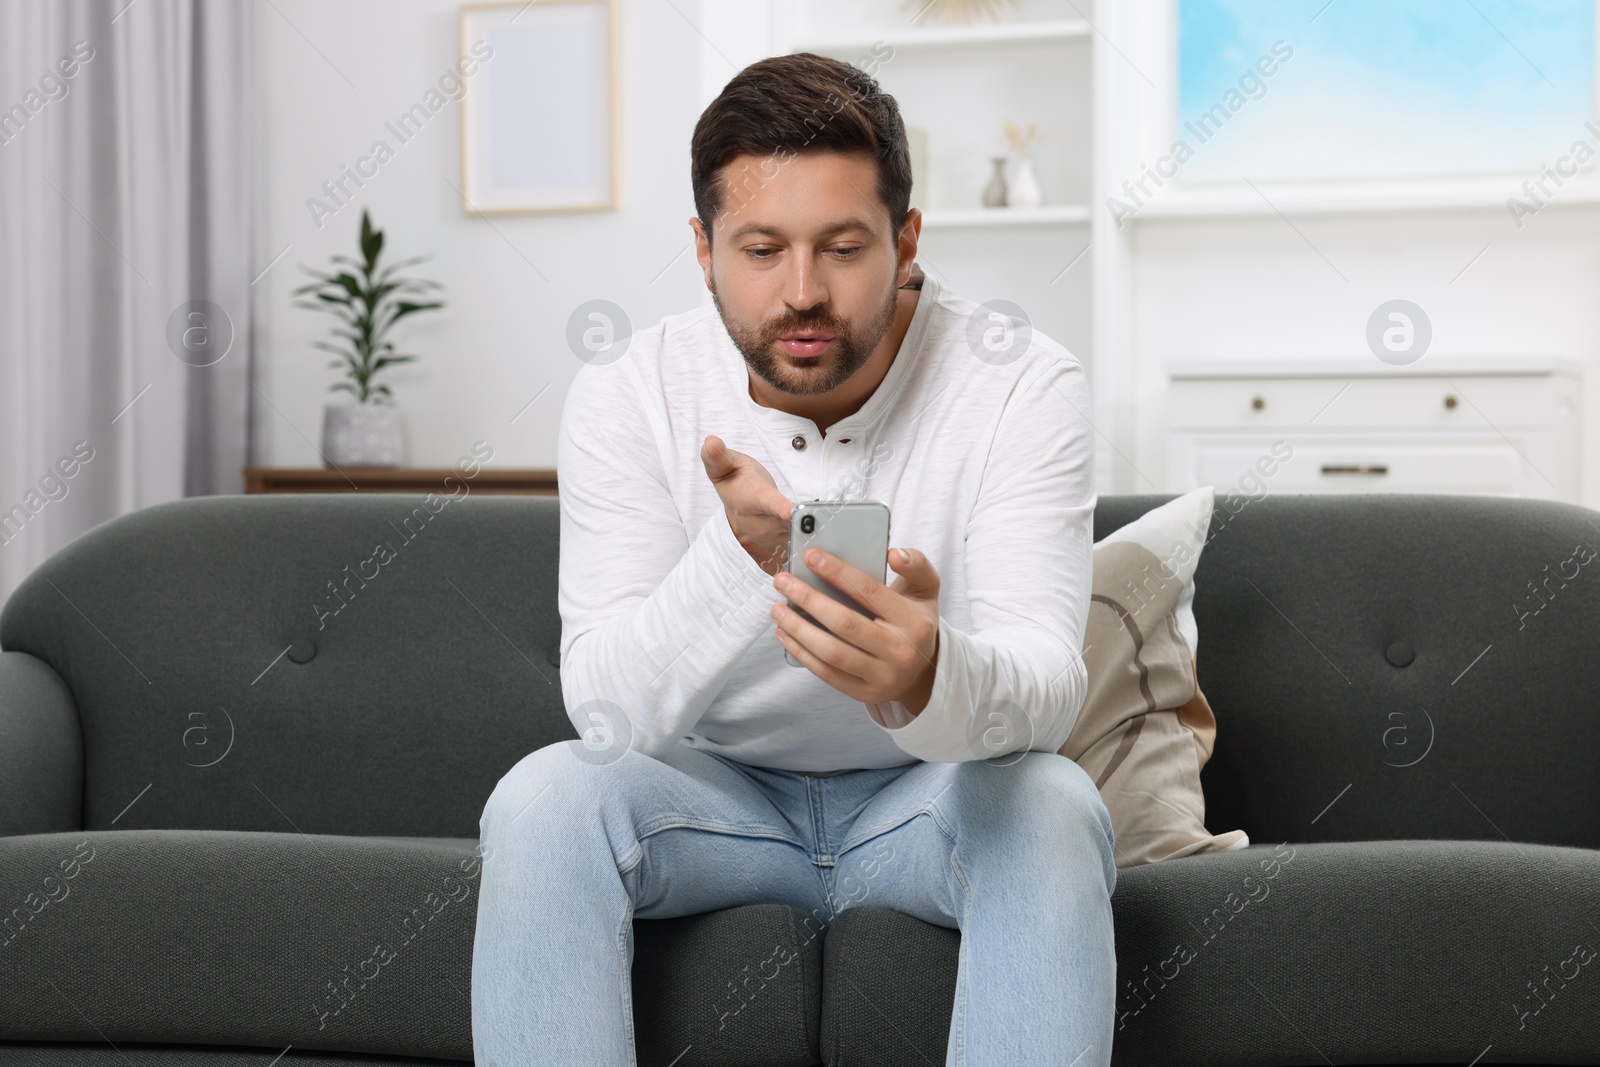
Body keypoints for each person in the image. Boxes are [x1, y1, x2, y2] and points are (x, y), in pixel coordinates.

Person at [471, 50, 1116, 1067]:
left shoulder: (1019, 383)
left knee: (1051, 802)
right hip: (714, 803)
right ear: (702, 249)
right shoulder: (629, 391)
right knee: (546, 795)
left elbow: (1045, 689)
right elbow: (606, 713)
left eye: (843, 247)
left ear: (906, 240)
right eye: (761, 249)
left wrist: (930, 673)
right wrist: (740, 560)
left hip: (929, 798)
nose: (802, 292)